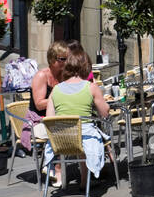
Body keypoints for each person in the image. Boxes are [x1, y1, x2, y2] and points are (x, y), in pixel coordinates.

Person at [42, 43, 111, 188]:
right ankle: (87, 180)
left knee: (80, 136)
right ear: (86, 67)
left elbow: (49, 119)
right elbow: (105, 113)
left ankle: (83, 180)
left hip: (60, 140)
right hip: (85, 139)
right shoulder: (91, 87)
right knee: (89, 135)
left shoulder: (56, 90)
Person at [23, 41, 69, 153]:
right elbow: (39, 105)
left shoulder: (64, 75)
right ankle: (53, 166)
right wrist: (62, 98)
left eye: (68, 59)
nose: (66, 62)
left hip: (57, 119)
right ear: (52, 59)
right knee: (65, 132)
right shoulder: (41, 76)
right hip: (38, 122)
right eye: (63, 59)